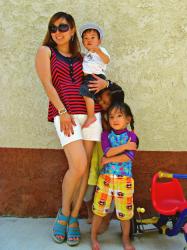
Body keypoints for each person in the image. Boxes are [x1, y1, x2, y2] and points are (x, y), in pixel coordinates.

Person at [35, 11, 109, 246]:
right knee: (77, 165)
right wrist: (62, 112)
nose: (58, 32)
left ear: (73, 29)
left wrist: (106, 83)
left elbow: (98, 73)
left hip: (90, 115)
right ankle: (64, 213)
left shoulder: (82, 56)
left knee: (85, 168)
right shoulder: (46, 51)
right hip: (65, 115)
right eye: (53, 28)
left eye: (63, 27)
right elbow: (47, 84)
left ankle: (75, 216)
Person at [91, 102, 138, 250]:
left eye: (119, 116)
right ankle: (93, 237)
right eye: (111, 116)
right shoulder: (105, 135)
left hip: (125, 181)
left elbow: (128, 158)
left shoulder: (132, 136)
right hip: (105, 179)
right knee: (99, 211)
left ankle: (125, 239)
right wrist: (124, 147)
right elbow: (107, 151)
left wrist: (108, 160)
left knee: (125, 214)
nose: (115, 119)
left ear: (128, 119)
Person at [84, 83, 125, 227]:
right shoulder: (96, 113)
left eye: (105, 102)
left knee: (111, 192)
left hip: (111, 162)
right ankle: (90, 212)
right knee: (88, 190)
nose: (101, 103)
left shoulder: (118, 118)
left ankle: (106, 221)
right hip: (96, 158)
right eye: (100, 100)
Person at [79, 23, 110, 128]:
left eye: (93, 37)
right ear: (83, 42)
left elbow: (106, 60)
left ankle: (91, 116)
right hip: (89, 77)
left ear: (99, 41)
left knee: (85, 91)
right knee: (96, 98)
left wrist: (98, 50)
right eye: (86, 38)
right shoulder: (87, 54)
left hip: (96, 77)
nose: (89, 40)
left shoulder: (101, 50)